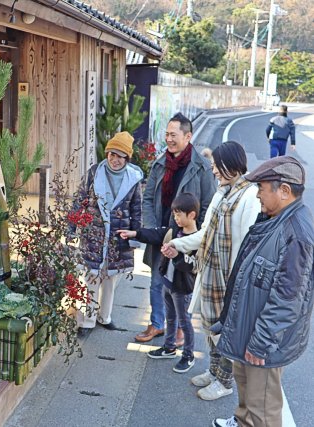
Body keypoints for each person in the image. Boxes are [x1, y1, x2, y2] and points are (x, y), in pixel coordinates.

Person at [213, 156, 314, 427]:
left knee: (264, 409)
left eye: (262, 188)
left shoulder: (296, 232)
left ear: (284, 190)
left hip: (264, 340)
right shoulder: (275, 219)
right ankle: (242, 421)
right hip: (251, 328)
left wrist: (260, 342)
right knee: (247, 393)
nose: (257, 194)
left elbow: (287, 298)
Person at [162, 141, 261, 401]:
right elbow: (206, 234)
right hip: (211, 273)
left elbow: (247, 244)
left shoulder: (249, 196)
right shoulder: (222, 193)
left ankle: (224, 382)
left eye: (217, 166)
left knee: (224, 331)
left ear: (231, 165)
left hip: (229, 278)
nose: (214, 170)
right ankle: (214, 371)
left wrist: (238, 282)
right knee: (210, 326)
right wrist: (177, 244)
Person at [136, 112, 216, 343]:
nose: (168, 139)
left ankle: (181, 327)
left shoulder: (200, 167)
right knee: (156, 282)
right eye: (167, 134)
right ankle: (157, 324)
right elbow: (148, 197)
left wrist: (192, 234)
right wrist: (152, 229)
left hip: (186, 236)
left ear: (188, 136)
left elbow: (208, 204)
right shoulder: (160, 164)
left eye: (173, 134)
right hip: (161, 235)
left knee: (182, 285)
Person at [119, 193, 199, 373]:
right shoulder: (173, 231)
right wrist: (133, 233)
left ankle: (188, 355)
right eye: (174, 214)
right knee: (170, 318)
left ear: (192, 215)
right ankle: (169, 347)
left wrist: (176, 255)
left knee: (184, 322)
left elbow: (193, 266)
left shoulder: (198, 238)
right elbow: (154, 234)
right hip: (168, 284)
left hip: (183, 288)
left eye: (179, 215)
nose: (175, 218)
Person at [75, 131, 143, 336]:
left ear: (127, 158)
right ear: (107, 154)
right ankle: (88, 320)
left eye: (120, 155)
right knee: (92, 276)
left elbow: (137, 209)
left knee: (110, 278)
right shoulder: (94, 172)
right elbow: (80, 199)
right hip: (94, 233)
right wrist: (72, 227)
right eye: (112, 154)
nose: (115, 159)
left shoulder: (133, 178)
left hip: (118, 235)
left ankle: (105, 317)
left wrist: (135, 235)